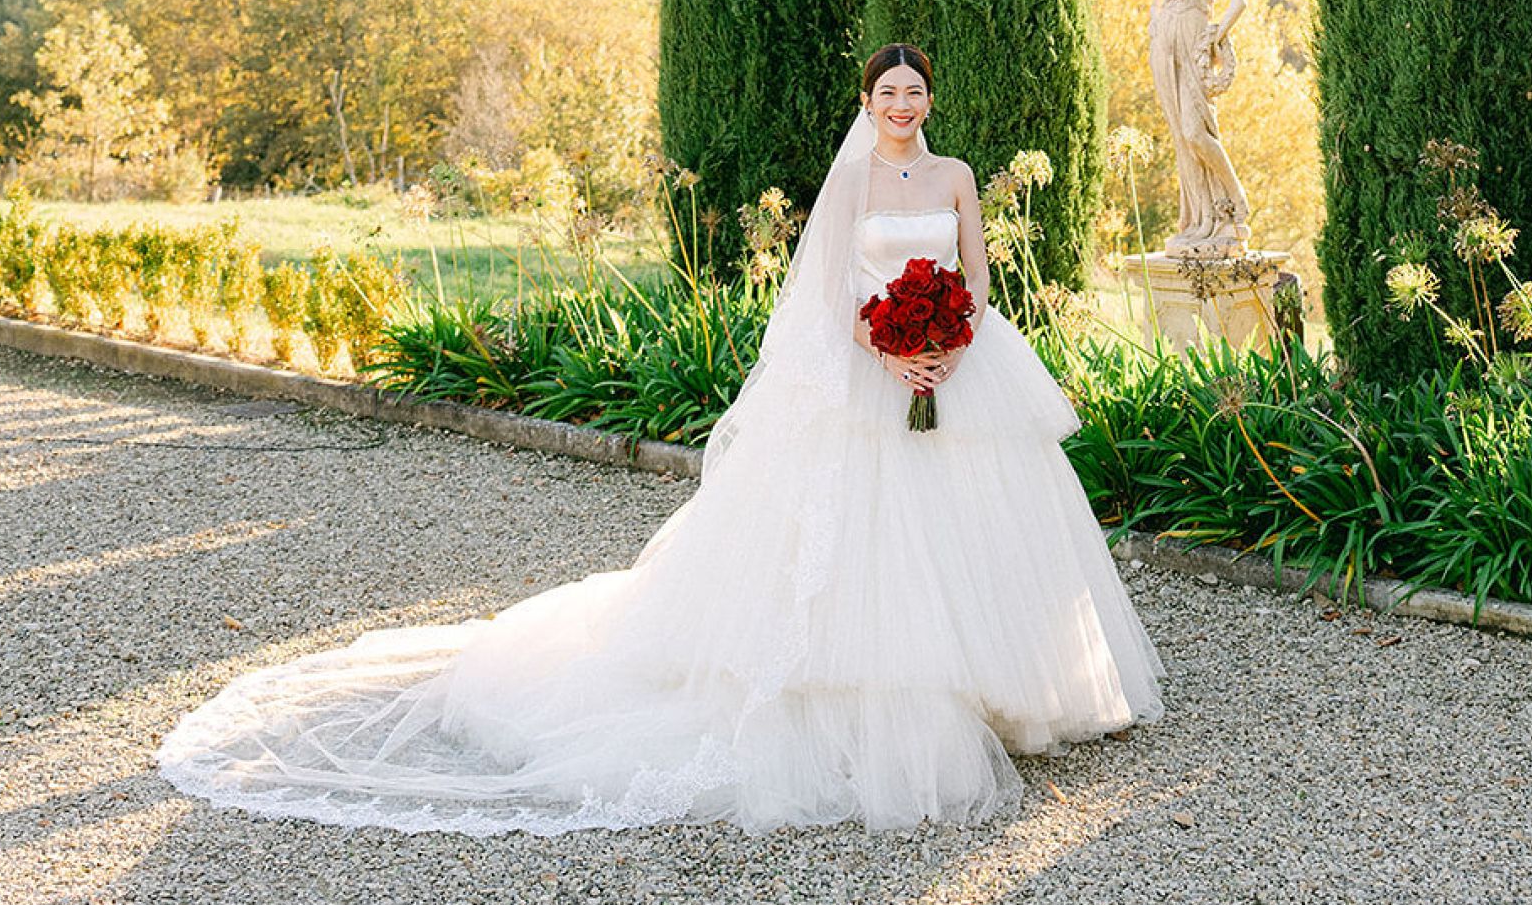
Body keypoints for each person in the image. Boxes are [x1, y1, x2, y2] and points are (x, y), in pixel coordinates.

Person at [156, 43, 1163, 837]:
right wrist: (888, 345)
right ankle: (877, 694)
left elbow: (980, 277)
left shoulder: (954, 174)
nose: (902, 105)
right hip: (871, 368)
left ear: (929, 100)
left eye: (914, 91)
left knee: (973, 519)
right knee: (864, 536)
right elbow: (828, 289)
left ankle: (1007, 685)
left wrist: (947, 338)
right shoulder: (853, 186)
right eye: (887, 92)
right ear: (867, 105)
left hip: (956, 361)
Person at [1148, 0, 1251, 255]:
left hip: (1195, 44)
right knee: (1180, 136)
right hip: (1164, 49)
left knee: (1197, 131)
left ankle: (1235, 200)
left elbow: (1239, 0)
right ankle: (1199, 221)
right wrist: (1154, 23)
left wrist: (1216, 36)